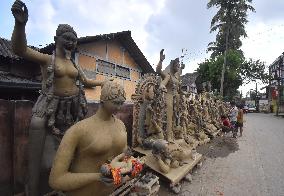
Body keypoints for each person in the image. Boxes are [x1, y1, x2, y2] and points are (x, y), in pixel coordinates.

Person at [11, 1, 109, 195]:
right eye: (67, 38)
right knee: (38, 129)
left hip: (72, 109)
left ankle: (67, 183)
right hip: (48, 106)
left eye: (74, 39)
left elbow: (86, 81)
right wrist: (20, 25)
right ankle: (32, 188)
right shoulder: (48, 59)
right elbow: (20, 50)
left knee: (73, 147)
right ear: (56, 39)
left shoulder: (74, 65)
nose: (71, 42)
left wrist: (102, 83)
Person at [49, 81, 128, 196]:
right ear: (103, 101)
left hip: (112, 191)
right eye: (116, 103)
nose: (120, 108)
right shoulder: (78, 130)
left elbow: (123, 156)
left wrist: (129, 164)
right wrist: (98, 177)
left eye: (122, 103)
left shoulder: (121, 126)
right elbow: (56, 180)